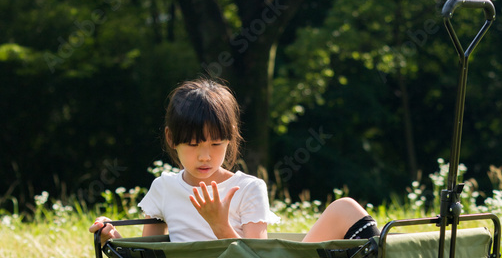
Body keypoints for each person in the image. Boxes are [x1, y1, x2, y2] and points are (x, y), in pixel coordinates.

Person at [89, 79, 380, 246]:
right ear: (170, 138)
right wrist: (113, 241)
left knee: (345, 209)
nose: (205, 156)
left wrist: (220, 225)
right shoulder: (164, 188)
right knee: (345, 209)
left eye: (216, 144)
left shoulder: (248, 187)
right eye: (192, 145)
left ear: (230, 139)